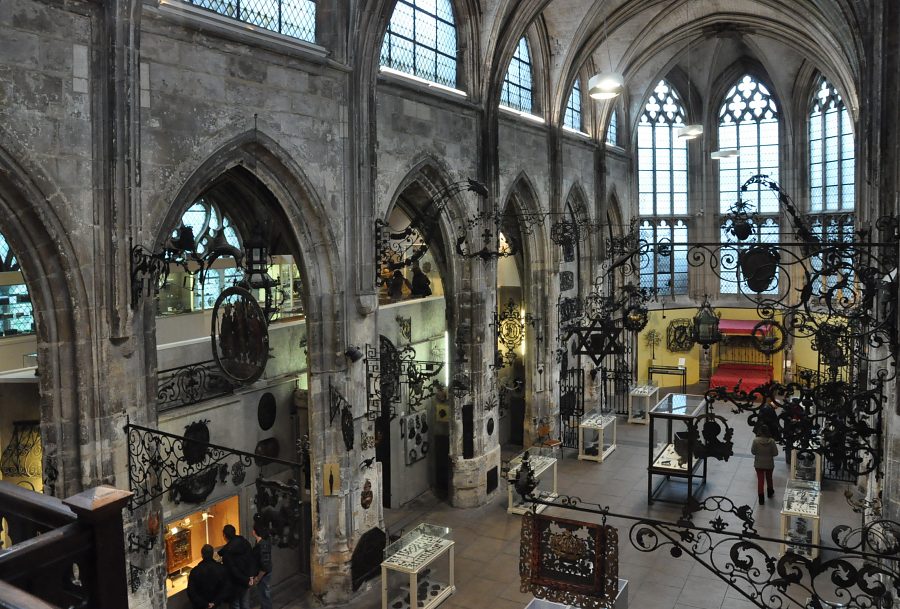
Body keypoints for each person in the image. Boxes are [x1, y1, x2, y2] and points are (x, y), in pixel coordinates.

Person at [218, 525, 255, 609]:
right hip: (247, 579)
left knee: (235, 605)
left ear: (224, 536)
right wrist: (250, 577)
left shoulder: (227, 554)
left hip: (235, 584)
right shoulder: (245, 542)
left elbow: (233, 570)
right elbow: (251, 560)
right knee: (245, 603)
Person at [187, 544, 232, 609]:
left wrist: (204, 604)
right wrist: (215, 602)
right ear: (212, 554)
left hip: (201, 606)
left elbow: (191, 592)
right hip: (217, 605)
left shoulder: (195, 571)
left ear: (202, 555)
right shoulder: (221, 568)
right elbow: (226, 588)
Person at [751, 425, 779, 505]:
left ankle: (761, 499)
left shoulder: (755, 441)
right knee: (769, 478)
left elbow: (753, 452)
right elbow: (775, 453)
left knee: (760, 480)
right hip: (769, 464)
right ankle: (770, 492)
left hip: (758, 464)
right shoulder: (772, 441)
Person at [251, 523, 273, 609]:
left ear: (255, 532)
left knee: (264, 595)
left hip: (263, 574)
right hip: (264, 573)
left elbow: (265, 565)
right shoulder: (260, 542)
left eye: (253, 529)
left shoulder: (262, 545)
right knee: (263, 595)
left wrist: (258, 578)